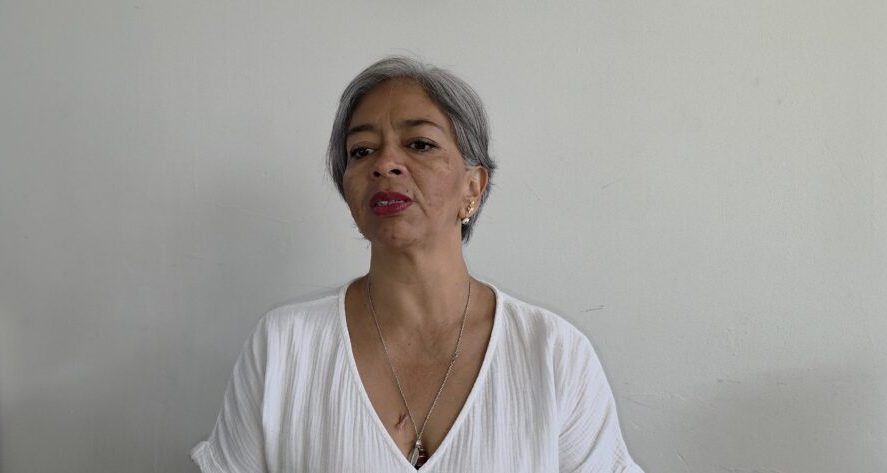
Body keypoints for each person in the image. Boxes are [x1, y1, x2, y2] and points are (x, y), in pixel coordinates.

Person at [191, 56, 645, 472]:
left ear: (473, 187)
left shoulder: (553, 355)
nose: (385, 164)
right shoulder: (284, 347)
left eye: (420, 144)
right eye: (361, 150)